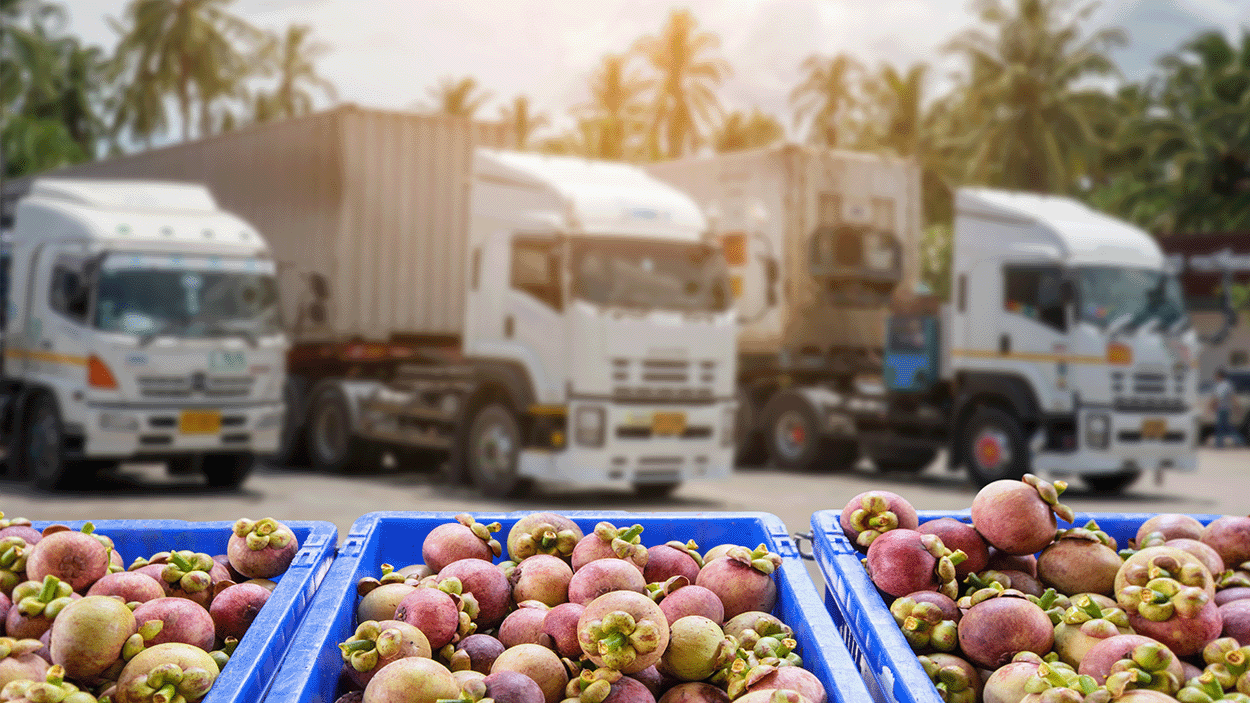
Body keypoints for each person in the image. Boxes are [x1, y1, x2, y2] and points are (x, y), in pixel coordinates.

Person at [1211, 368, 1240, 448]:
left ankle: (1219, 444)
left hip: (1223, 408)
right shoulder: (1226, 384)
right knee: (1225, 426)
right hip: (1225, 408)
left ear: (1220, 376)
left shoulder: (1223, 385)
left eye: (1216, 375)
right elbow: (1233, 396)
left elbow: (1218, 397)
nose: (1215, 377)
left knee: (1220, 426)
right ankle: (1239, 440)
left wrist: (1212, 405)